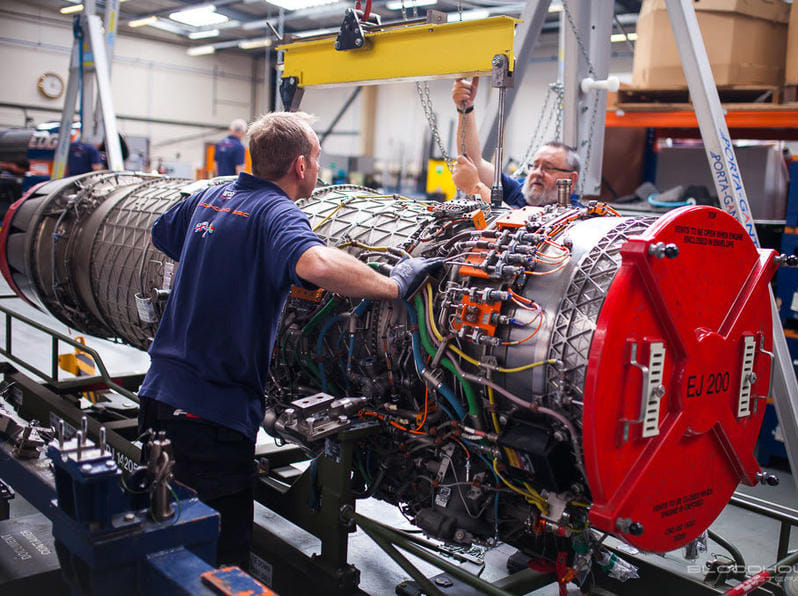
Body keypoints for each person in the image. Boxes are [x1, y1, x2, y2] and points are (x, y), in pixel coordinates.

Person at [138, 111, 441, 569]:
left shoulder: (213, 194)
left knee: (169, 535)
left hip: (158, 396)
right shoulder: (275, 211)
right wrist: (393, 285)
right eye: (317, 158)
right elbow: (317, 265)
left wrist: (222, 258)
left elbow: (163, 232)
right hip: (209, 417)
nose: (318, 168)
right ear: (300, 166)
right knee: (217, 561)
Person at [450, 78, 581, 207]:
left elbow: (522, 224)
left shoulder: (577, 216)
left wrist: (476, 188)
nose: (537, 173)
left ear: (571, 179)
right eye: (534, 166)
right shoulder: (518, 192)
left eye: (548, 168)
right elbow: (474, 164)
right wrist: (466, 109)